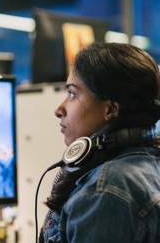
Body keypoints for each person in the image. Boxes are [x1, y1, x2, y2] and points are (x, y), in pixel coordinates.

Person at [39, 42, 160, 243]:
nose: (59, 109)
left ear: (111, 110)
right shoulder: (150, 163)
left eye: (72, 94)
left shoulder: (105, 191)